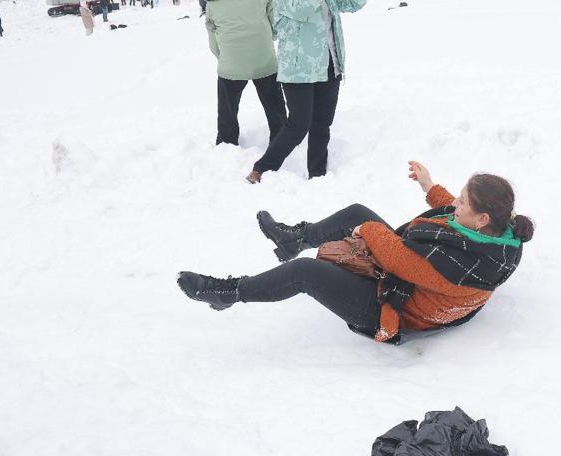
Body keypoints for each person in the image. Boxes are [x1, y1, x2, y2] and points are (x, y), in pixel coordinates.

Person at [177, 162, 535, 343]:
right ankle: (292, 239)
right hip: (406, 276)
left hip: (394, 307)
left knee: (307, 272)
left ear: (482, 216)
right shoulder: (497, 232)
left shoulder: (458, 268)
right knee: (356, 211)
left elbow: (398, 259)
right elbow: (452, 215)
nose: (454, 204)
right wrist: (429, 186)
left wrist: (367, 232)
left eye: (462, 201)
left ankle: (228, 293)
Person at [245, 0, 367, 184]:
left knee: (322, 123)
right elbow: (302, 9)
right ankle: (261, 169)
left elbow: (352, 4)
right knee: (298, 125)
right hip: (298, 69)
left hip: (329, 63)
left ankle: (317, 174)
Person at [205, 0, 287, 147]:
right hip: (263, 56)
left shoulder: (213, 3)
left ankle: (226, 141)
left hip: (231, 60)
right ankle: (281, 138)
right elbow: (274, 20)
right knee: (274, 104)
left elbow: (212, 35)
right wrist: (269, 37)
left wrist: (223, 57)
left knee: (227, 108)